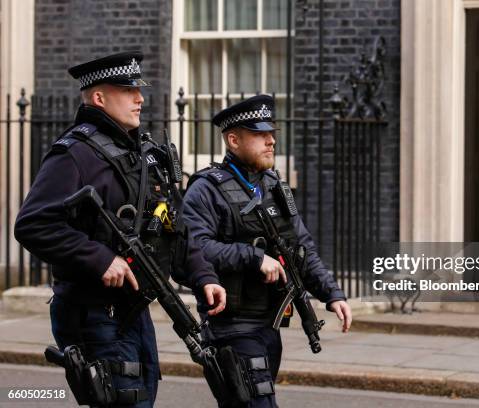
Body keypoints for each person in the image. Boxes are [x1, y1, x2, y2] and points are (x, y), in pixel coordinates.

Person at [14, 51, 226, 407]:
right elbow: (34, 223)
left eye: (138, 91)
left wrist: (203, 276)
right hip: (93, 312)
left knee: (142, 397)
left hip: (134, 309)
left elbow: (174, 227)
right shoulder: (74, 154)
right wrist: (100, 259)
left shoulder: (145, 154)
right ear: (99, 98)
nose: (140, 98)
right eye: (128, 91)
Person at [182, 95, 352, 407]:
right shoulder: (205, 189)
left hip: (268, 325)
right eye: (260, 134)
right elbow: (193, 250)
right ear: (234, 140)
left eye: (270, 133)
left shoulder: (273, 185)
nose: (271, 140)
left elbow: (301, 246)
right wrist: (254, 257)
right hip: (231, 328)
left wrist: (332, 294)